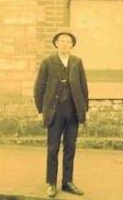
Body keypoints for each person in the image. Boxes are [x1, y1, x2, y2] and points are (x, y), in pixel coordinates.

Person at [34, 28, 89, 198]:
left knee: (70, 148)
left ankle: (67, 182)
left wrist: (84, 110)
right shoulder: (48, 62)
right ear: (56, 43)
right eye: (61, 41)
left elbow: (83, 87)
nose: (64, 44)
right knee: (53, 148)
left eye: (68, 41)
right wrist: (40, 111)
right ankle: (51, 183)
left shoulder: (77, 62)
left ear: (72, 45)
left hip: (72, 111)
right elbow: (39, 88)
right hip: (54, 111)